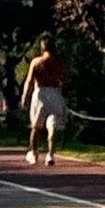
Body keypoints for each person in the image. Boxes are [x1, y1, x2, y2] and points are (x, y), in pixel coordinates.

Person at [22, 37, 67, 167]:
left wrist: (25, 96)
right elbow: (64, 79)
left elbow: (29, 80)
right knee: (52, 125)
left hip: (40, 93)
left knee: (36, 126)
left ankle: (33, 153)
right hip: (55, 93)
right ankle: (50, 154)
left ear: (42, 47)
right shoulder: (59, 63)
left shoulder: (36, 62)